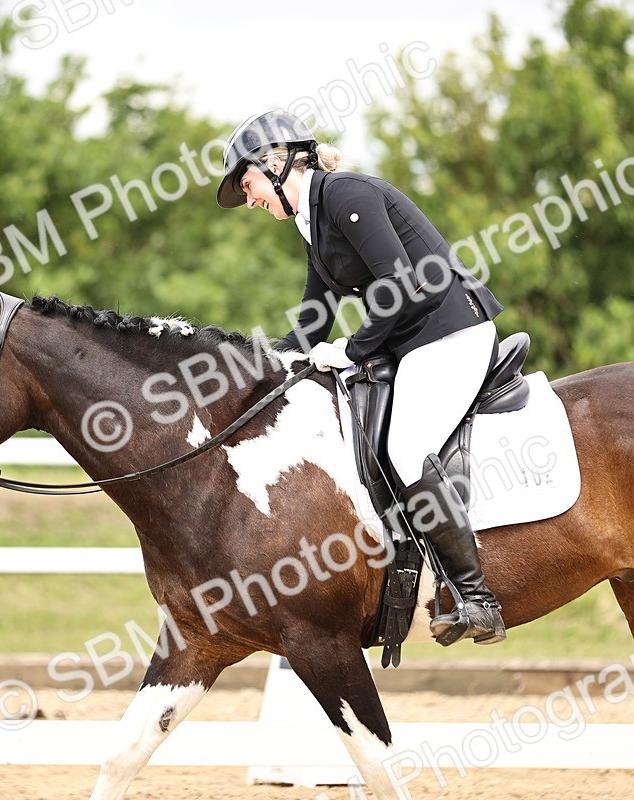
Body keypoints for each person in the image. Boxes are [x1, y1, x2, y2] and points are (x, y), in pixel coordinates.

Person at [215, 110, 507, 646]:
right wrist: (259, 369)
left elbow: (403, 284)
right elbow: (313, 318)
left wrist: (351, 350)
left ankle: (477, 597)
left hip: (450, 332)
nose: (248, 197)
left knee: (404, 446)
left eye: (247, 182)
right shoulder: (316, 220)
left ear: (276, 164)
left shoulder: (346, 196)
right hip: (413, 343)